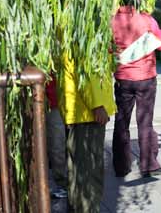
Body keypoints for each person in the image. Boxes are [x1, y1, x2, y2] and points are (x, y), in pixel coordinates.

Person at [111, 0, 161, 178]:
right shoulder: (146, 19)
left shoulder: (111, 21)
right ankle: (148, 165)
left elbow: (108, 48)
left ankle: (121, 166)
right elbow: (159, 43)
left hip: (123, 77)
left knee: (121, 121)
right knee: (145, 122)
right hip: (145, 77)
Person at [57, 49, 114, 213]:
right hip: (87, 113)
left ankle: (78, 208)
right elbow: (86, 71)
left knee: (78, 170)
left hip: (79, 111)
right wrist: (97, 104)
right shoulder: (84, 25)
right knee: (88, 172)